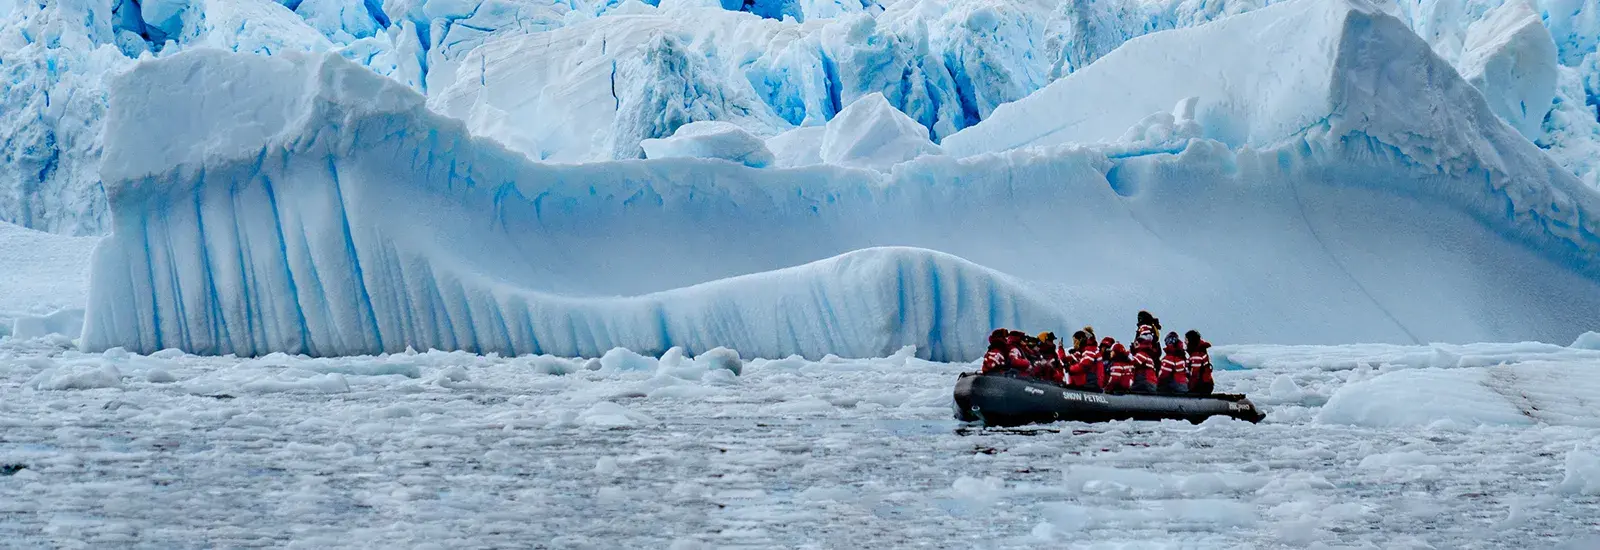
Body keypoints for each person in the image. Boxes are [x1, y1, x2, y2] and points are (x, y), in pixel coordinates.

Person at [1185, 330, 1215, 395]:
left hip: (1202, 386)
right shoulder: (1199, 352)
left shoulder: (1196, 355)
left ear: (1191, 341)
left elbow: (1195, 374)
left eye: (1186, 340)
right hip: (1206, 384)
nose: (1185, 342)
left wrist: (1190, 388)